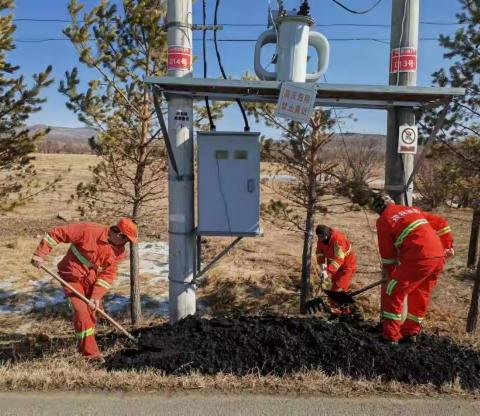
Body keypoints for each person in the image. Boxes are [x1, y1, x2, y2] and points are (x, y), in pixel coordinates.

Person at [31, 218, 137, 362]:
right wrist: (40, 253)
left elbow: (107, 275)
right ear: (118, 233)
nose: (126, 244)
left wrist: (96, 296)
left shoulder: (120, 252)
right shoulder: (88, 230)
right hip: (72, 278)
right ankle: (91, 355)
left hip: (92, 283)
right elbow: (57, 233)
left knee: (92, 311)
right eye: (126, 239)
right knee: (82, 313)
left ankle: (85, 344)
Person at [371, 193, 449, 344]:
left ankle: (390, 336)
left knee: (391, 290)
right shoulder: (412, 210)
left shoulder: (384, 220)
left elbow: (387, 254)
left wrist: (391, 273)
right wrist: (447, 246)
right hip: (438, 257)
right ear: (391, 202)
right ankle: (410, 332)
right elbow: (441, 223)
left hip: (420, 258)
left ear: (378, 209)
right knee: (420, 293)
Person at [315, 224, 359, 319]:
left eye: (322, 237)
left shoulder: (338, 240)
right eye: (319, 237)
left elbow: (339, 259)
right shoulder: (321, 239)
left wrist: (328, 271)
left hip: (347, 267)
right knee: (338, 291)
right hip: (335, 267)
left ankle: (339, 314)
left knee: (337, 290)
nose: (320, 239)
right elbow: (319, 253)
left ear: (327, 235)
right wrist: (323, 267)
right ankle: (345, 313)